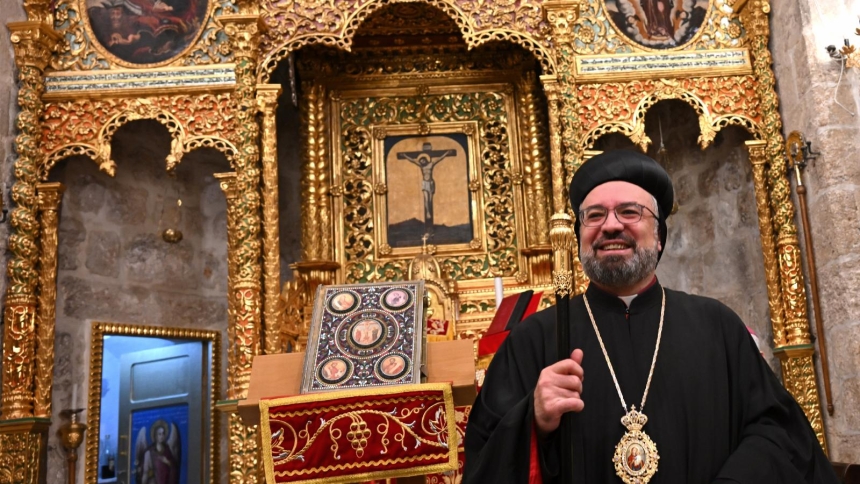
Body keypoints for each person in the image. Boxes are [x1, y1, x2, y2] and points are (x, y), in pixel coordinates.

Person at [463, 150, 839, 483]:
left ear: (659, 236)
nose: (611, 225)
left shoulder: (716, 327)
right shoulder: (534, 340)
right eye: (594, 215)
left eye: (630, 212)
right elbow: (483, 455)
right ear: (579, 237)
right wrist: (533, 421)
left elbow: (776, 431)